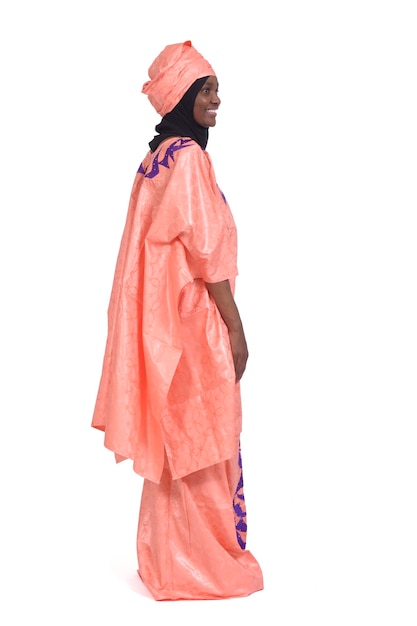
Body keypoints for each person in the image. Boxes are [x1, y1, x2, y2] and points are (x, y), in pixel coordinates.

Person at [91, 40, 264, 601]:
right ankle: (206, 566)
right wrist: (235, 328)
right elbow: (208, 252)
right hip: (193, 322)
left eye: (215, 88)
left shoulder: (155, 158)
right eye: (206, 89)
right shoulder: (187, 157)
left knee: (179, 437)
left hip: (166, 326)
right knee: (204, 434)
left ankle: (165, 561)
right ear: (182, 96)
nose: (217, 99)